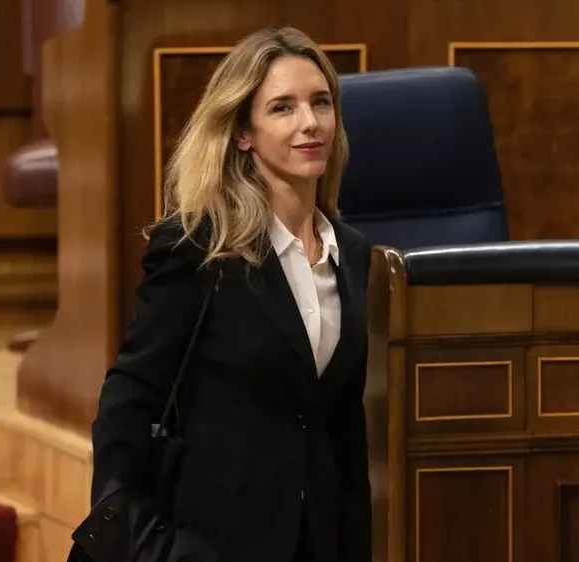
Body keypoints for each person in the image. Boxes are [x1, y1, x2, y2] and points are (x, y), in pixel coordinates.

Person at [81, 27, 372, 562]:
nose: (310, 123)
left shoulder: (352, 254)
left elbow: (341, 423)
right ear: (243, 132)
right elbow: (131, 393)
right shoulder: (199, 248)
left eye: (321, 102)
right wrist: (132, 528)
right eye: (282, 108)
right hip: (209, 541)